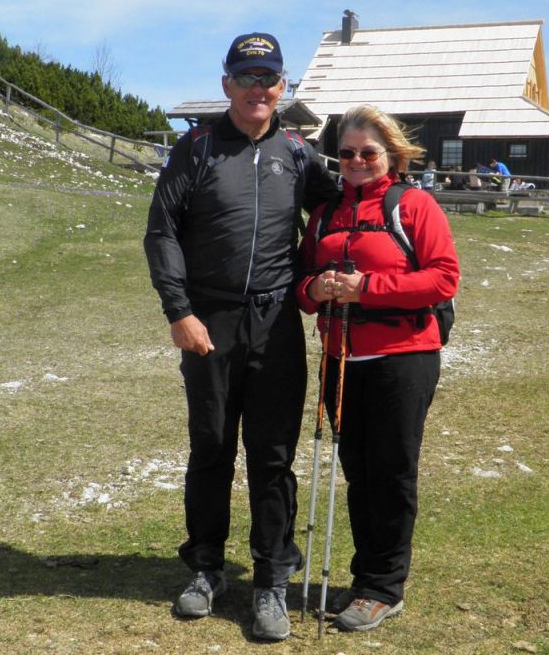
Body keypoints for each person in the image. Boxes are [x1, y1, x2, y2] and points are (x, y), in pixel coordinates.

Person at [143, 32, 339, 641]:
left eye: (269, 79)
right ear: (226, 84)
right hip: (210, 320)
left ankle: (272, 578)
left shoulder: (297, 153)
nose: (259, 89)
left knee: (273, 454)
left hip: (277, 320)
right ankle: (205, 567)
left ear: (283, 88)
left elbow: (345, 215)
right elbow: (162, 232)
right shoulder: (197, 149)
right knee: (211, 447)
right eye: (246, 78)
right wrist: (180, 310)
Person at [295, 105, 460, 633]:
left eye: (368, 152)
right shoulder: (325, 215)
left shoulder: (413, 205)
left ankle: (384, 587)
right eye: (346, 154)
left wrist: (367, 288)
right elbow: (300, 286)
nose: (357, 161)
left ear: (390, 154)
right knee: (359, 473)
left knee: (390, 473)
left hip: (403, 359)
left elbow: (442, 280)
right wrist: (315, 290)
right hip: (340, 360)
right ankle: (364, 578)